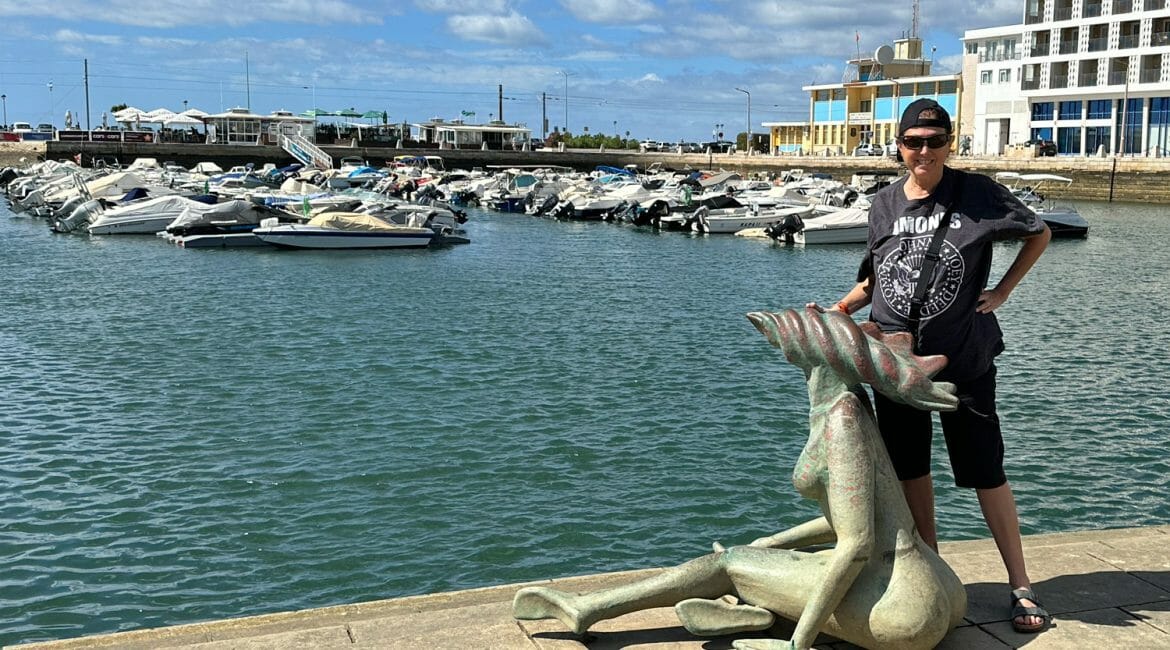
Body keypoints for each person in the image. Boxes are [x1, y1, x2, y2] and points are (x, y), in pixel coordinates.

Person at [514, 308, 967, 650]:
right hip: (937, 588)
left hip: (902, 612)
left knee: (730, 563)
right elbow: (852, 519)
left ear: (812, 354)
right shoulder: (852, 404)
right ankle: (745, 613)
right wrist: (771, 542)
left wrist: (798, 644)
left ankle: (587, 608)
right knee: (762, 560)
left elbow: (855, 546)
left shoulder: (841, 420)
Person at [811, 98, 1052, 634]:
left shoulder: (976, 194)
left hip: (964, 360)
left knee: (985, 471)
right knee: (910, 472)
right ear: (899, 146)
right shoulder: (883, 205)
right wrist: (842, 308)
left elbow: (1039, 233)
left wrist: (1004, 290)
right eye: (914, 141)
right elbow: (877, 278)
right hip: (897, 366)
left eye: (935, 140)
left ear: (950, 143)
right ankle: (937, 573)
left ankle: (1021, 585)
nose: (924, 151)